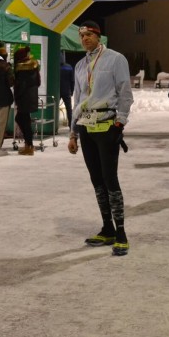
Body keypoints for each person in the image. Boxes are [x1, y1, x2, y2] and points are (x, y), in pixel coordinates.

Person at [67, 21, 134, 256]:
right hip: (86, 126)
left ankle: (122, 233)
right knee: (97, 180)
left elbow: (125, 91)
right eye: (82, 35)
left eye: (89, 34)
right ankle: (107, 229)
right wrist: (73, 133)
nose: (85, 38)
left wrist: (120, 121)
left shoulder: (116, 59)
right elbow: (77, 100)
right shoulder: (79, 65)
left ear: (99, 36)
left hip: (107, 125)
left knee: (110, 179)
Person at [13, 46, 40, 156]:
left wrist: (17, 96)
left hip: (24, 98)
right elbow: (38, 83)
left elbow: (21, 85)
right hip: (31, 97)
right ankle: (29, 145)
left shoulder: (22, 68)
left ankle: (29, 145)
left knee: (21, 119)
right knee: (25, 120)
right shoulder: (33, 67)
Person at [60, 57, 75, 130]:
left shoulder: (55, 67)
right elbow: (72, 80)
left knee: (53, 108)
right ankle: (71, 126)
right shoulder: (69, 67)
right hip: (66, 91)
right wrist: (72, 91)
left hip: (57, 91)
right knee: (69, 109)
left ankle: (54, 126)